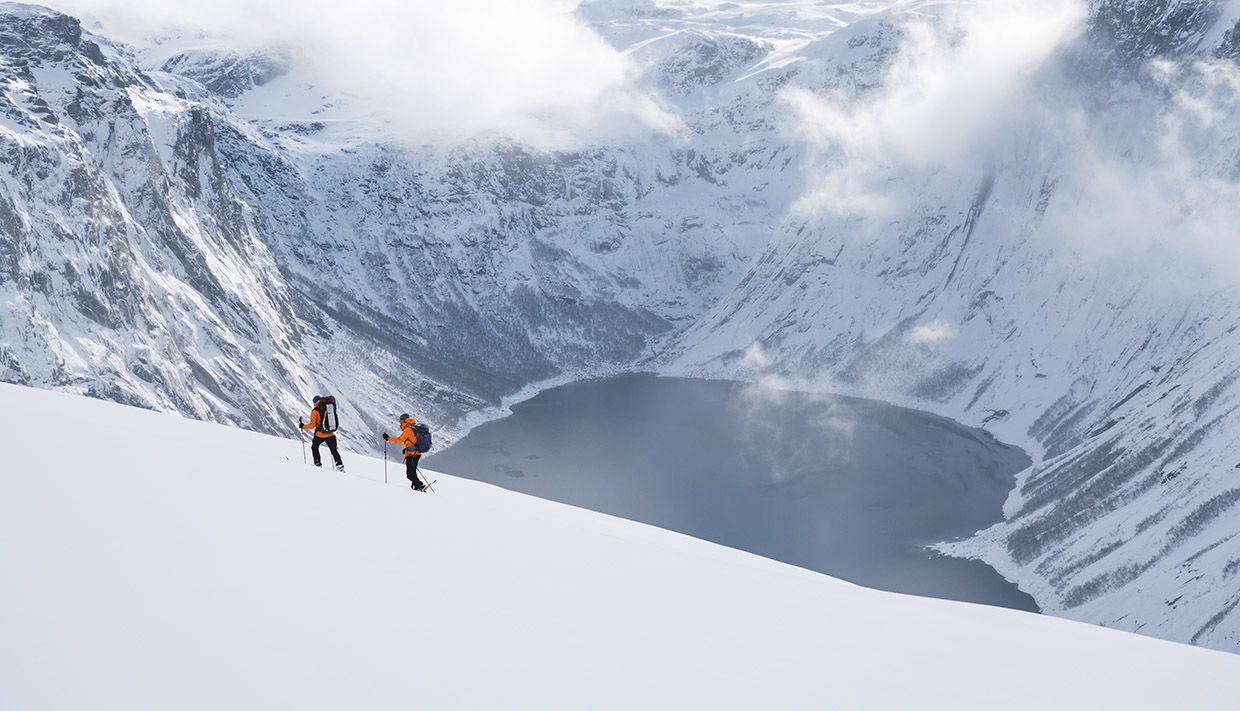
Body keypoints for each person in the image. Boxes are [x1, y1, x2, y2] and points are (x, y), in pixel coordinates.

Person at [300, 395, 345, 472]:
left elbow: (312, 425)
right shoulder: (329, 407)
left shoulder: (315, 411)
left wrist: (303, 426)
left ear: (314, 402)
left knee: (314, 447)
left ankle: (317, 463)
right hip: (330, 434)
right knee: (334, 450)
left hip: (319, 434)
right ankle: (339, 465)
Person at [383, 414, 426, 491]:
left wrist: (388, 438)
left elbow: (399, 440)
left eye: (401, 420)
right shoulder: (414, 428)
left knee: (410, 474)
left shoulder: (408, 430)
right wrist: (406, 449)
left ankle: (420, 486)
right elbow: (413, 441)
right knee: (412, 473)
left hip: (411, 455)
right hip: (416, 454)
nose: (399, 421)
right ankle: (418, 487)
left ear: (404, 420)